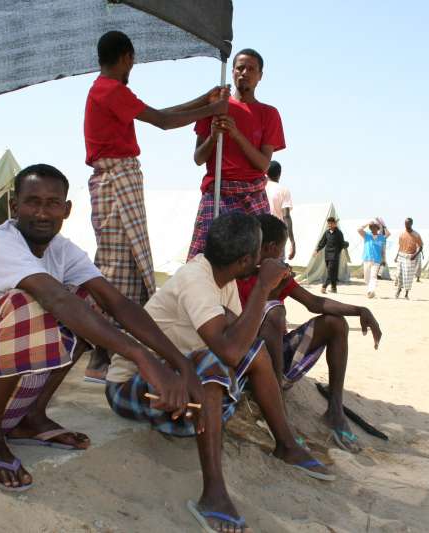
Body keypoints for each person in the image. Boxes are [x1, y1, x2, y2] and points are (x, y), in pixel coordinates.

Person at [0, 165, 203, 492]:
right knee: (28, 303)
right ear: (13, 206)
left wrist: (181, 365)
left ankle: (30, 418)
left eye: (52, 203)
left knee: (88, 301)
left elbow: (117, 304)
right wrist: (144, 359)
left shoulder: (62, 250)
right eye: (31, 201)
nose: (41, 212)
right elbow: (57, 300)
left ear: (66, 210)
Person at [106, 213, 333, 533]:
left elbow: (242, 339)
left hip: (178, 375)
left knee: (252, 353)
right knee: (213, 362)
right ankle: (213, 493)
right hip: (131, 385)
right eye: (261, 254)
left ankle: (286, 444)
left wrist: (261, 297)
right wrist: (263, 289)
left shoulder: (221, 277)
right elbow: (227, 351)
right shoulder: (196, 280)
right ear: (246, 260)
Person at [83, 30, 228, 382]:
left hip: (120, 178)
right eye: (133, 60)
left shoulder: (109, 92)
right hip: (116, 177)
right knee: (116, 266)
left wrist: (203, 100)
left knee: (131, 264)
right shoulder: (110, 90)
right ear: (126, 57)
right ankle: (100, 354)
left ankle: (117, 349)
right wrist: (212, 109)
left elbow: (158, 113)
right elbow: (162, 121)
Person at [238, 214, 382, 453]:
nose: (282, 257)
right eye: (282, 250)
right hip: (247, 360)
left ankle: (335, 410)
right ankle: (279, 409)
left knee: (336, 323)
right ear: (270, 248)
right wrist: (270, 295)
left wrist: (359, 310)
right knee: (274, 311)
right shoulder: (238, 273)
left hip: (274, 355)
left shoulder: (277, 276)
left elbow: (315, 303)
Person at [188, 48, 286, 260]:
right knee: (207, 261)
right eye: (240, 68)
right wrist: (214, 136)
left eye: (251, 69)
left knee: (251, 262)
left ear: (260, 76)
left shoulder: (269, 114)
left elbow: (263, 165)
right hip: (217, 193)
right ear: (232, 72)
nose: (245, 73)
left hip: (252, 196)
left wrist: (235, 134)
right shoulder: (216, 106)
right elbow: (198, 158)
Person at [264, 160, 296, 260]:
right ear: (279, 174)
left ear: (266, 172)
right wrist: (292, 241)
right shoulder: (283, 190)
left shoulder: (260, 187)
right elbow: (286, 216)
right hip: (277, 235)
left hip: (261, 230)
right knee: (276, 266)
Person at [358, 218, 390, 298]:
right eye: (371, 227)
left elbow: (388, 234)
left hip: (377, 260)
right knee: (366, 278)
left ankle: (371, 291)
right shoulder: (366, 235)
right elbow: (359, 229)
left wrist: (384, 225)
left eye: (375, 227)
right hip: (367, 259)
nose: (373, 228)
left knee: (373, 276)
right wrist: (368, 222)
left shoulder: (381, 238)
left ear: (378, 228)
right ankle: (370, 289)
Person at [315, 217, 347, 294]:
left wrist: (346, 244)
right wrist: (317, 249)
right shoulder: (326, 233)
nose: (329, 225)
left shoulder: (339, 233)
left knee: (330, 271)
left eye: (331, 223)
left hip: (335, 255)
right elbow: (322, 242)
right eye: (328, 223)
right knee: (332, 272)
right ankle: (334, 288)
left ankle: (324, 286)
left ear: (335, 224)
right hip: (327, 255)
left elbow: (342, 244)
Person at [395, 218, 423, 299]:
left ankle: (406, 293)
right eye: (405, 223)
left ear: (411, 224)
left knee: (407, 276)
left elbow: (421, 247)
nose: (406, 225)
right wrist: (397, 256)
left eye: (408, 223)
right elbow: (400, 246)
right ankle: (399, 289)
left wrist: (415, 254)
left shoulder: (416, 234)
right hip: (401, 255)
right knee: (399, 274)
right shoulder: (401, 234)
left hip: (410, 256)